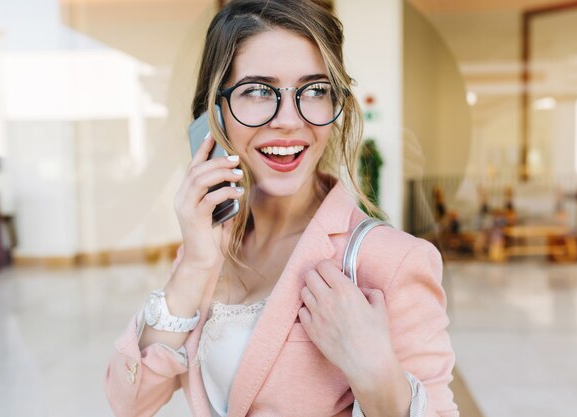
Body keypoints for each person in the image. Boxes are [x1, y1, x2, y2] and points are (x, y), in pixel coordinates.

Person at [104, 1, 458, 416]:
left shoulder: (392, 261)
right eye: (257, 90)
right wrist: (196, 266)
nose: (289, 120)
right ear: (214, 112)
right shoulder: (211, 245)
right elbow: (128, 402)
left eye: (314, 90)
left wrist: (376, 374)